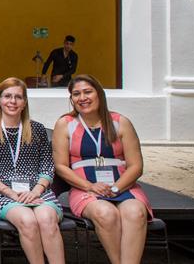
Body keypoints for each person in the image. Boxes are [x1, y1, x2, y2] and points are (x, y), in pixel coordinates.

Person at [53, 75, 152, 264]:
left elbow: (136, 165)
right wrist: (90, 186)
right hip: (85, 188)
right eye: (76, 94)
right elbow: (61, 166)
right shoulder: (65, 124)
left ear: (99, 94)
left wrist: (116, 188)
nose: (82, 98)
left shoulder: (120, 122)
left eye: (88, 92)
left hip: (123, 186)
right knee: (106, 213)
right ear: (71, 99)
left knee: (135, 213)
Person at [0, 78, 64, 264]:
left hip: (39, 192)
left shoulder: (37, 129)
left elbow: (47, 167)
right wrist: (12, 194)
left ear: (24, 102)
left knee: (47, 219)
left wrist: (35, 192)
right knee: (27, 221)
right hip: (4, 195)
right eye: (7, 96)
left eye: (18, 97)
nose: (13, 101)